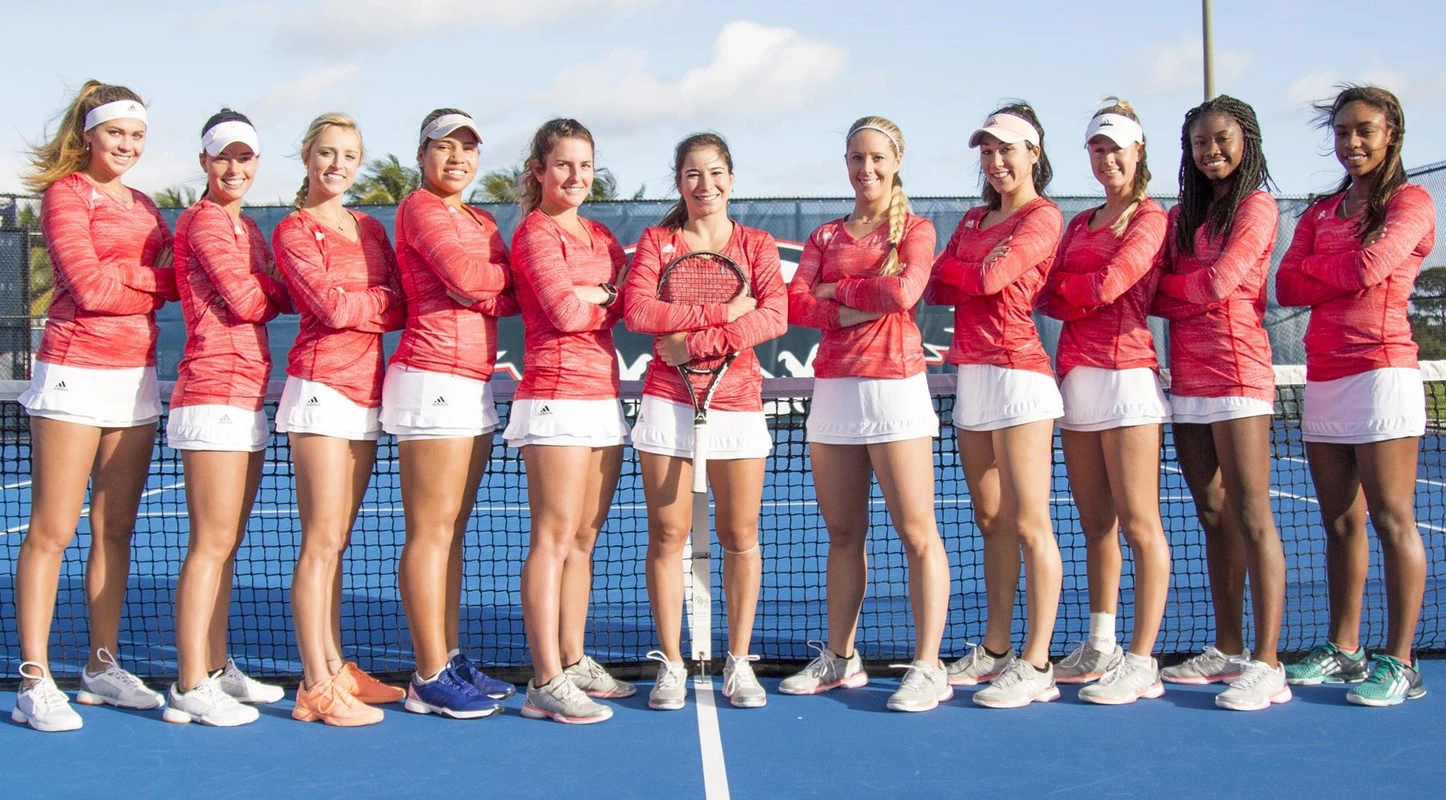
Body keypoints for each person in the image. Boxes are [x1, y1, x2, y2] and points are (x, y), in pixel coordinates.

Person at [12, 81, 176, 732]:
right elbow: (86, 286)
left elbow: (164, 282)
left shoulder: (145, 206)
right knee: (53, 530)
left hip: (134, 380)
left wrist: (132, 284)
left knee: (115, 530)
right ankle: (33, 678)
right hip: (73, 376)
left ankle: (101, 667)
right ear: (89, 135)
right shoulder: (64, 196)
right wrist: (144, 284)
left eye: (137, 135)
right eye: (116, 133)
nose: (128, 146)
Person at [781, 116, 951, 711]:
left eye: (877, 157)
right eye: (856, 157)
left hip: (895, 390)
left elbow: (904, 293)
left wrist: (837, 293)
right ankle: (840, 657)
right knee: (843, 533)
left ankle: (929, 667)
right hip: (835, 392)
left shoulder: (918, 229)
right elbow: (795, 304)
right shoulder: (826, 236)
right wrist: (851, 302)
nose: (866, 168)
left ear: (897, 158)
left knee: (916, 533)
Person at [1276, 85, 1435, 707]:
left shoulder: (1412, 202)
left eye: (1364, 130)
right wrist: (1326, 276)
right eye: (1342, 133)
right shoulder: (1320, 212)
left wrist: (1326, 274)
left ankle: (1401, 661)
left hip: (1382, 373)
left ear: (1391, 132)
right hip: (1326, 373)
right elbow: (1287, 282)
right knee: (1340, 521)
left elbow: (1371, 268)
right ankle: (1345, 649)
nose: (1353, 143)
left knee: (1393, 520)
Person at [625, 132, 787, 711]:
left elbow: (774, 315)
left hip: (738, 406)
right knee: (668, 536)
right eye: (693, 174)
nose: (705, 185)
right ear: (679, 182)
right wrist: (722, 312)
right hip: (668, 404)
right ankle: (671, 663)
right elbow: (639, 309)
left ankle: (738, 663)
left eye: (716, 172)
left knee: (740, 537)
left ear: (732, 177)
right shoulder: (657, 240)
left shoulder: (758, 244)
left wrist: (698, 341)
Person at [1151, 96, 1290, 711]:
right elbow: (1159, 292)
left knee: (1252, 514)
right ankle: (1230, 647)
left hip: (1238, 376)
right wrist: (1185, 294)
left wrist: (1181, 293)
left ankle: (1268, 663)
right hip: (1188, 380)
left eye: (1222, 139)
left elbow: (1219, 282)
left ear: (1246, 140)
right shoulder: (1182, 215)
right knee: (1211, 511)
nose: (1211, 151)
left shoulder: (1258, 206)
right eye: (1200, 142)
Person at [925, 104, 1065, 709]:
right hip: (973, 375)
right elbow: (936, 284)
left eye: (1007, 149)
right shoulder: (974, 218)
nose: (997, 160)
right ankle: (998, 647)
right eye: (987, 151)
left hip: (1020, 378)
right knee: (991, 520)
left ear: (1034, 153)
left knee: (1032, 523)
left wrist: (967, 271)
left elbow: (986, 279)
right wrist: (966, 270)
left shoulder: (1044, 217)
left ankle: (1038, 663)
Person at [1035, 98, 1172, 704]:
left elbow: (1113, 283)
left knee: (1141, 524)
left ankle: (1142, 660)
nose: (1107, 158)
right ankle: (1102, 643)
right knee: (1096, 525)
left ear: (1138, 150)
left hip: (1128, 379)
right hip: (1078, 379)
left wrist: (1077, 292)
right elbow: (1047, 293)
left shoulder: (1151, 218)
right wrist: (1077, 292)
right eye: (1096, 148)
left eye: (1116, 147)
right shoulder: (1078, 223)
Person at [272, 113, 407, 726]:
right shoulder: (294, 229)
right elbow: (326, 307)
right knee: (321, 540)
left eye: (349, 156)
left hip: (366, 393)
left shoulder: (372, 227)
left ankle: (335, 664)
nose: (338, 166)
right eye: (327, 153)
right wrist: (368, 304)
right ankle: (314, 684)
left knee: (339, 541)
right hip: (320, 389)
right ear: (307, 158)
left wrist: (366, 306)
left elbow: (399, 302)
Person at [384, 109, 517, 719]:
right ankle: (427, 674)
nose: (457, 158)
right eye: (444, 146)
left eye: (467, 147)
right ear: (422, 154)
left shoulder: (483, 218)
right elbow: (468, 280)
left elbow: (506, 291)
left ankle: (450, 654)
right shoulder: (417, 209)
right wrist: (489, 281)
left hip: (472, 385)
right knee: (431, 530)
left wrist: (486, 284)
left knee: (454, 533)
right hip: (429, 376)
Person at [162, 110, 291, 726]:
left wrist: (266, 287)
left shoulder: (247, 230)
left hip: (247, 395)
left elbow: (276, 292)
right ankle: (190, 683)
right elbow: (250, 297)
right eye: (223, 158)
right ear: (204, 163)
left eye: (245, 159)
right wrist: (265, 287)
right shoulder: (204, 221)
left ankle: (213, 666)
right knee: (210, 543)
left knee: (227, 543)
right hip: (211, 392)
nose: (234, 169)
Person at [506, 118, 633, 724]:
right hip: (554, 395)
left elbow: (628, 303)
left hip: (602, 395)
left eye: (585, 165)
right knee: (553, 538)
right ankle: (544, 679)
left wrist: (600, 294)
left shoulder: (602, 235)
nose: (576, 176)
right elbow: (560, 310)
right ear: (540, 171)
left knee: (583, 538)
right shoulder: (534, 232)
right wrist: (601, 296)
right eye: (563, 165)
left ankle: (574, 659)